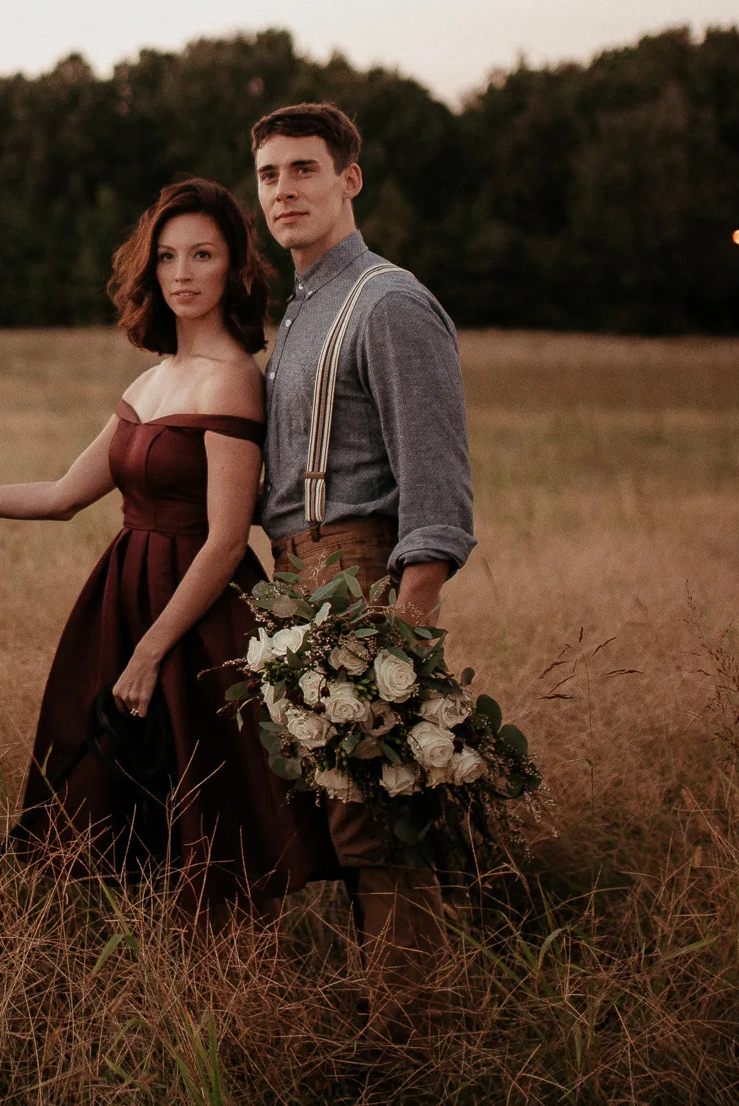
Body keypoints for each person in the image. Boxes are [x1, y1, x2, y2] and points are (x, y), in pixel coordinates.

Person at [0, 177, 331, 911]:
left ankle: (224, 975)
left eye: (202, 255)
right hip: (125, 595)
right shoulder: (154, 379)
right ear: (149, 269)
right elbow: (63, 494)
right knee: (102, 781)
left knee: (206, 802)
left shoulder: (233, 382)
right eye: (167, 257)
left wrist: (152, 649)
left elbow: (224, 542)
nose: (182, 273)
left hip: (193, 618)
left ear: (233, 267)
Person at [249, 100, 475, 974]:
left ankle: (412, 1049)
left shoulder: (389, 301)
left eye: (303, 169)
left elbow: (437, 485)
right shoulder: (304, 307)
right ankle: (384, 1025)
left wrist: (406, 628)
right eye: (269, 174)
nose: (283, 189)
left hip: (362, 569)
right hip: (297, 576)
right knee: (342, 823)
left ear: (350, 178)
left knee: (380, 826)